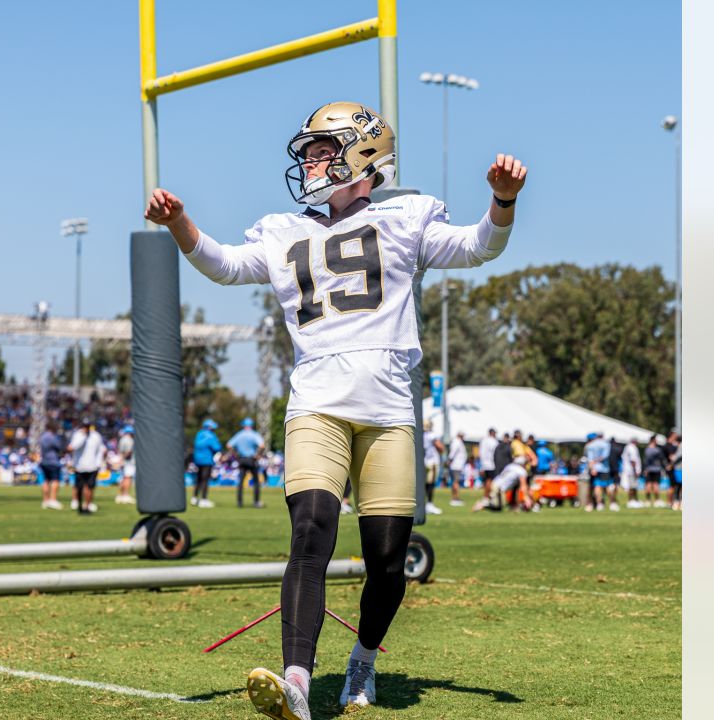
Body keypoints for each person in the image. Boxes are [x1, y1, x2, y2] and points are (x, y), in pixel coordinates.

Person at [146, 100, 525, 718]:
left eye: (323, 150)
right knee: (311, 529)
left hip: (388, 410)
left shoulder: (407, 216)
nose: (312, 162)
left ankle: (363, 659)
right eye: (311, 152)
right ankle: (297, 679)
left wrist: (502, 203)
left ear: (364, 153)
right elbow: (223, 266)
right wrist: (180, 223)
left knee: (385, 557)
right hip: (316, 400)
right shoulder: (283, 228)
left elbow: (478, 248)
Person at [68, 417, 106, 515]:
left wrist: (99, 463)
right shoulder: (78, 435)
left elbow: (101, 449)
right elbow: (72, 447)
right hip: (79, 466)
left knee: (90, 487)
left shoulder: (96, 436)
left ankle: (87, 506)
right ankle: (78, 504)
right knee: (79, 487)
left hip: (92, 465)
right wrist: (83, 437)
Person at [229, 418, 267, 508]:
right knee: (256, 481)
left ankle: (239, 502)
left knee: (241, 481)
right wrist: (258, 455)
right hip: (251, 459)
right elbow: (262, 446)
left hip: (241, 459)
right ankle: (256, 502)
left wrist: (236, 455)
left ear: (243, 425)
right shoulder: (254, 435)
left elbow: (229, 445)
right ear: (251, 425)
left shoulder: (239, 434)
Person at [192, 419, 223, 508]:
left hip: (197, 460)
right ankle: (204, 499)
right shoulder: (211, 435)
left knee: (198, 479)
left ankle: (194, 498)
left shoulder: (199, 434)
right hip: (207, 460)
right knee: (205, 479)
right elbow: (217, 447)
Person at [422, 419, 445, 515]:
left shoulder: (421, 435)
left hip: (423, 462)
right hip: (432, 462)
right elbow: (441, 448)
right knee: (430, 484)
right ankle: (429, 504)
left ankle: (423, 504)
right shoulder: (431, 435)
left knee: (424, 484)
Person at [38, 424, 64, 510]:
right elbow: (59, 446)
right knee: (55, 480)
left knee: (46, 481)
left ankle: (45, 501)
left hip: (44, 460)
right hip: (53, 461)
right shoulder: (52, 437)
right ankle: (53, 500)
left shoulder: (42, 437)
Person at [584, 432, 612, 512]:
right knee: (607, 486)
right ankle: (611, 503)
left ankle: (598, 504)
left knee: (596, 486)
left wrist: (593, 467)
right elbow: (606, 455)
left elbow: (590, 459)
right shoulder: (606, 444)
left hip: (594, 468)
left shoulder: (590, 446)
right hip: (605, 468)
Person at [115, 424, 137, 505]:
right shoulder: (129, 440)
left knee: (123, 478)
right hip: (129, 462)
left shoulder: (122, 439)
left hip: (124, 462)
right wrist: (123, 459)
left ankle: (120, 495)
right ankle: (126, 495)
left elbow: (120, 451)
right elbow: (128, 452)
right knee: (128, 478)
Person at [642, 435, 666, 507]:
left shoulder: (647, 450)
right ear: (653, 441)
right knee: (655, 485)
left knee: (648, 485)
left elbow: (645, 461)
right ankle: (657, 500)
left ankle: (647, 501)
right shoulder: (658, 450)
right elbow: (662, 459)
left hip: (649, 469)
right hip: (656, 469)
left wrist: (645, 469)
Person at [445, 431, 467, 507]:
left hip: (457, 465)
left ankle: (455, 498)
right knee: (456, 482)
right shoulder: (457, 442)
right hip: (456, 465)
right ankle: (455, 498)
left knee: (455, 482)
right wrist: (449, 460)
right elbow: (453, 452)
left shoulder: (458, 442)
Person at [621, 437, 642, 508]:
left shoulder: (628, 447)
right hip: (631, 471)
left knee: (634, 486)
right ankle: (630, 501)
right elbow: (633, 460)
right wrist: (635, 470)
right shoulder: (632, 448)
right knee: (632, 486)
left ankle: (635, 500)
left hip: (630, 470)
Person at [478, 428, 499, 499]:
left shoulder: (483, 441)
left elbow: (480, 453)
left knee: (486, 481)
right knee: (490, 481)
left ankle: (486, 496)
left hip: (484, 464)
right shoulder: (494, 441)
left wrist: (481, 466)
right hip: (491, 464)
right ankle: (487, 496)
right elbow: (496, 453)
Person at [665, 431, 682, 510]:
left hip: (679, 469)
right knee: (678, 486)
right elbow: (677, 457)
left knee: (678, 486)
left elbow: (676, 457)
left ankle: (677, 502)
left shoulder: (680, 446)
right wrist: (671, 465)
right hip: (679, 469)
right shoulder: (681, 446)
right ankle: (677, 502)